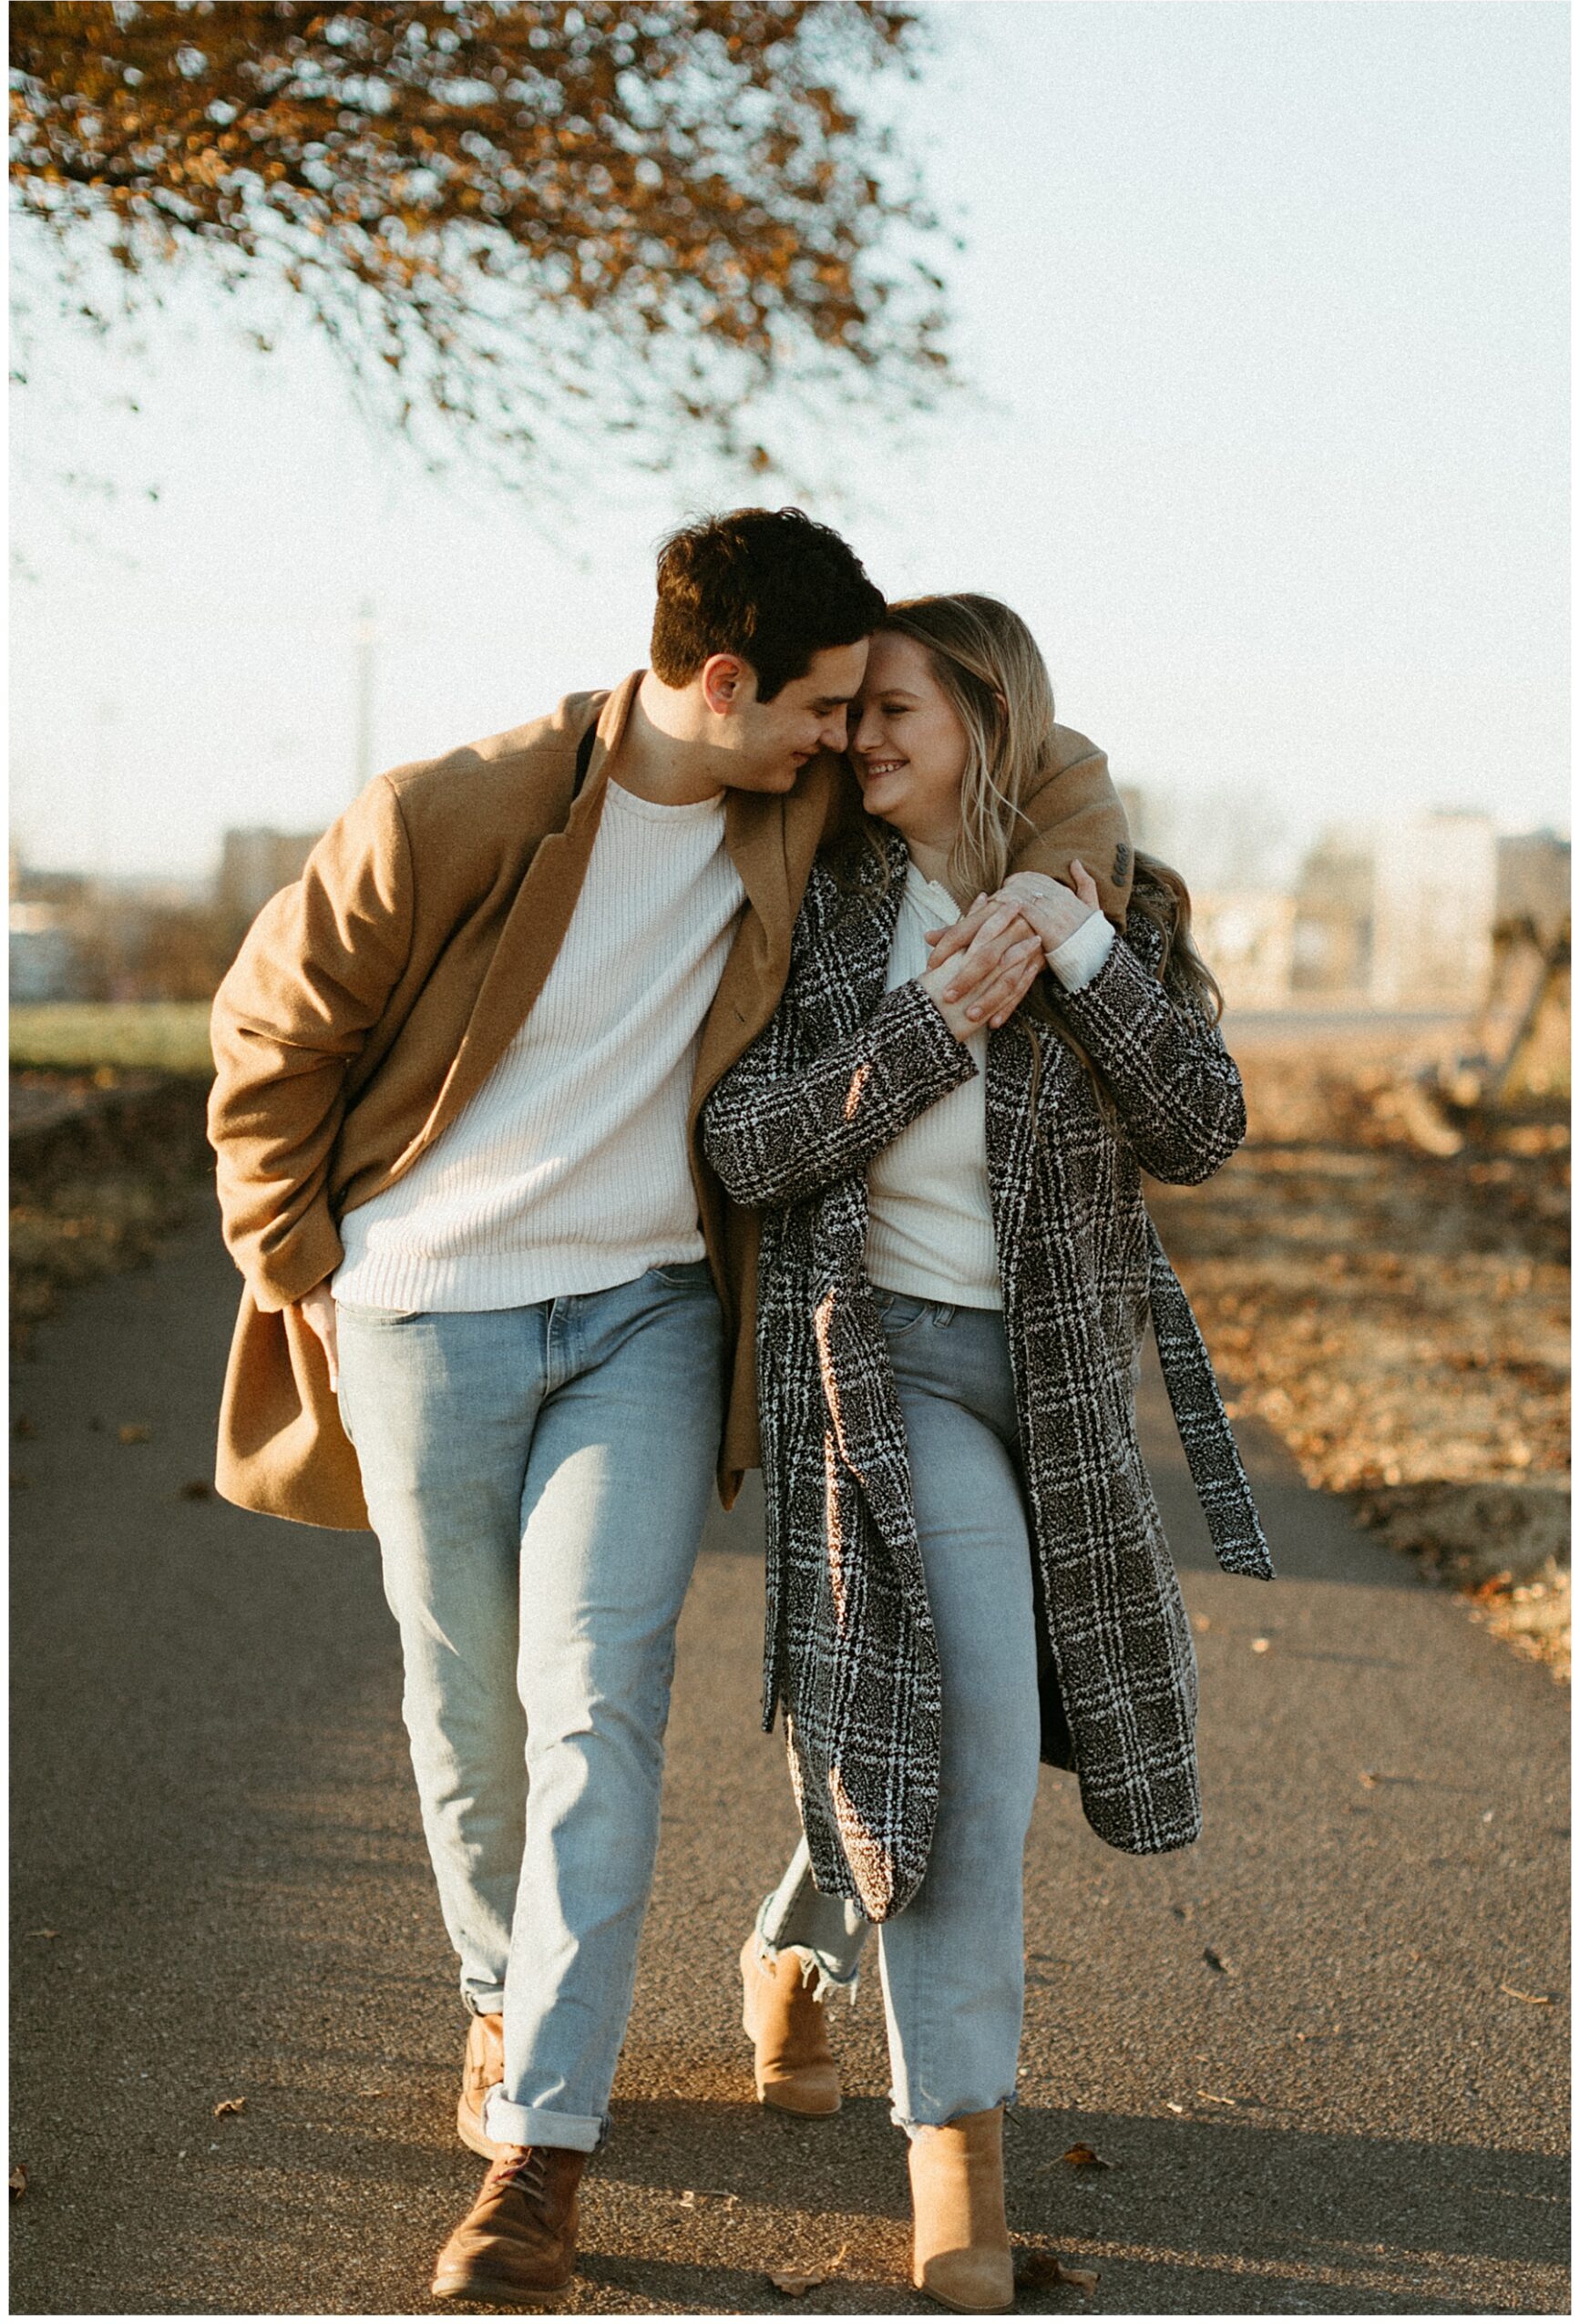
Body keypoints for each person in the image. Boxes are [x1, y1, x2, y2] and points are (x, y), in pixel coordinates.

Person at [206, 517, 1130, 2308]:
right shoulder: (449, 813)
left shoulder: (786, 800)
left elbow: (1055, 762)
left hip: (646, 1316)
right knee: (466, 1712)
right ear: (724, 683)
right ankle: (502, 1999)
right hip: (426, 1317)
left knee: (599, 1706)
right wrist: (299, 1254)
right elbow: (269, 1032)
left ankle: (538, 2153)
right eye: (822, 707)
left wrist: (1056, 893)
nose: (847, 744)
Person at [702, 594, 1272, 2315]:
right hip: (890, 1380)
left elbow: (1202, 1127)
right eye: (852, 711)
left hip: (1068, 1403)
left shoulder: (1118, 904)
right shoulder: (825, 912)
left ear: (988, 717)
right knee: (967, 1751)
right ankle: (959, 2161)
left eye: (894, 711)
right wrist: (925, 1030)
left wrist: (1078, 957)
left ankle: (800, 1945)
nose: (857, 738)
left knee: (941, 1730)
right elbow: (744, 1140)